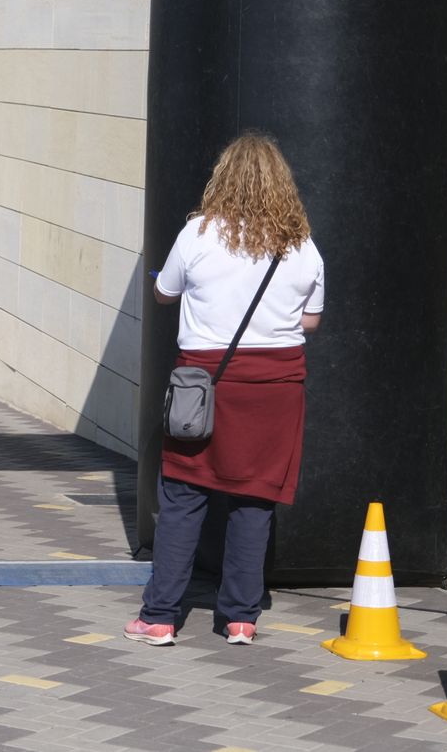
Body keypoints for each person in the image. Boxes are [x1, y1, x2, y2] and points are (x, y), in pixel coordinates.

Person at [123, 132, 324, 647]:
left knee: (183, 496)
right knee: (255, 501)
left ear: (222, 179)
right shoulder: (301, 244)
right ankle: (239, 618)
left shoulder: (198, 234)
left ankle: (160, 617)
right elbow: (311, 321)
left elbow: (164, 292)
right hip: (276, 390)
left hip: (204, 385)